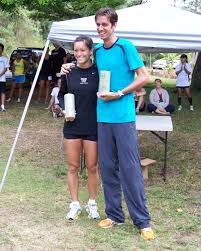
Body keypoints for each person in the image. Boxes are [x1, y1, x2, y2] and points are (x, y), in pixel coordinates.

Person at [61, 7, 154, 240]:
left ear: (114, 25)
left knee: (130, 169)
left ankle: (142, 221)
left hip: (123, 118)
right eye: (98, 25)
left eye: (104, 24)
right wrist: (67, 66)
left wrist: (120, 93)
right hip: (101, 119)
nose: (101, 28)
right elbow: (83, 63)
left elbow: (144, 77)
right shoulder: (99, 51)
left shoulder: (126, 47)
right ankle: (114, 215)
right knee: (108, 168)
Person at [57, 36, 100, 221]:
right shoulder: (68, 71)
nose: (79, 53)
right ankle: (75, 204)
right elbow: (61, 96)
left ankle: (92, 203)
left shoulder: (99, 72)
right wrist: (63, 107)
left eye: (83, 50)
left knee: (92, 167)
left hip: (93, 126)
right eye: (76, 50)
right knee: (73, 167)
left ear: (91, 51)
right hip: (72, 126)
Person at [0, 43, 9, 112]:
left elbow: (6, 69)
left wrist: (0, 75)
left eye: (0, 49)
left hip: (2, 79)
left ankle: (2, 106)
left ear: (2, 50)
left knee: (3, 92)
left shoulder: (4, 58)